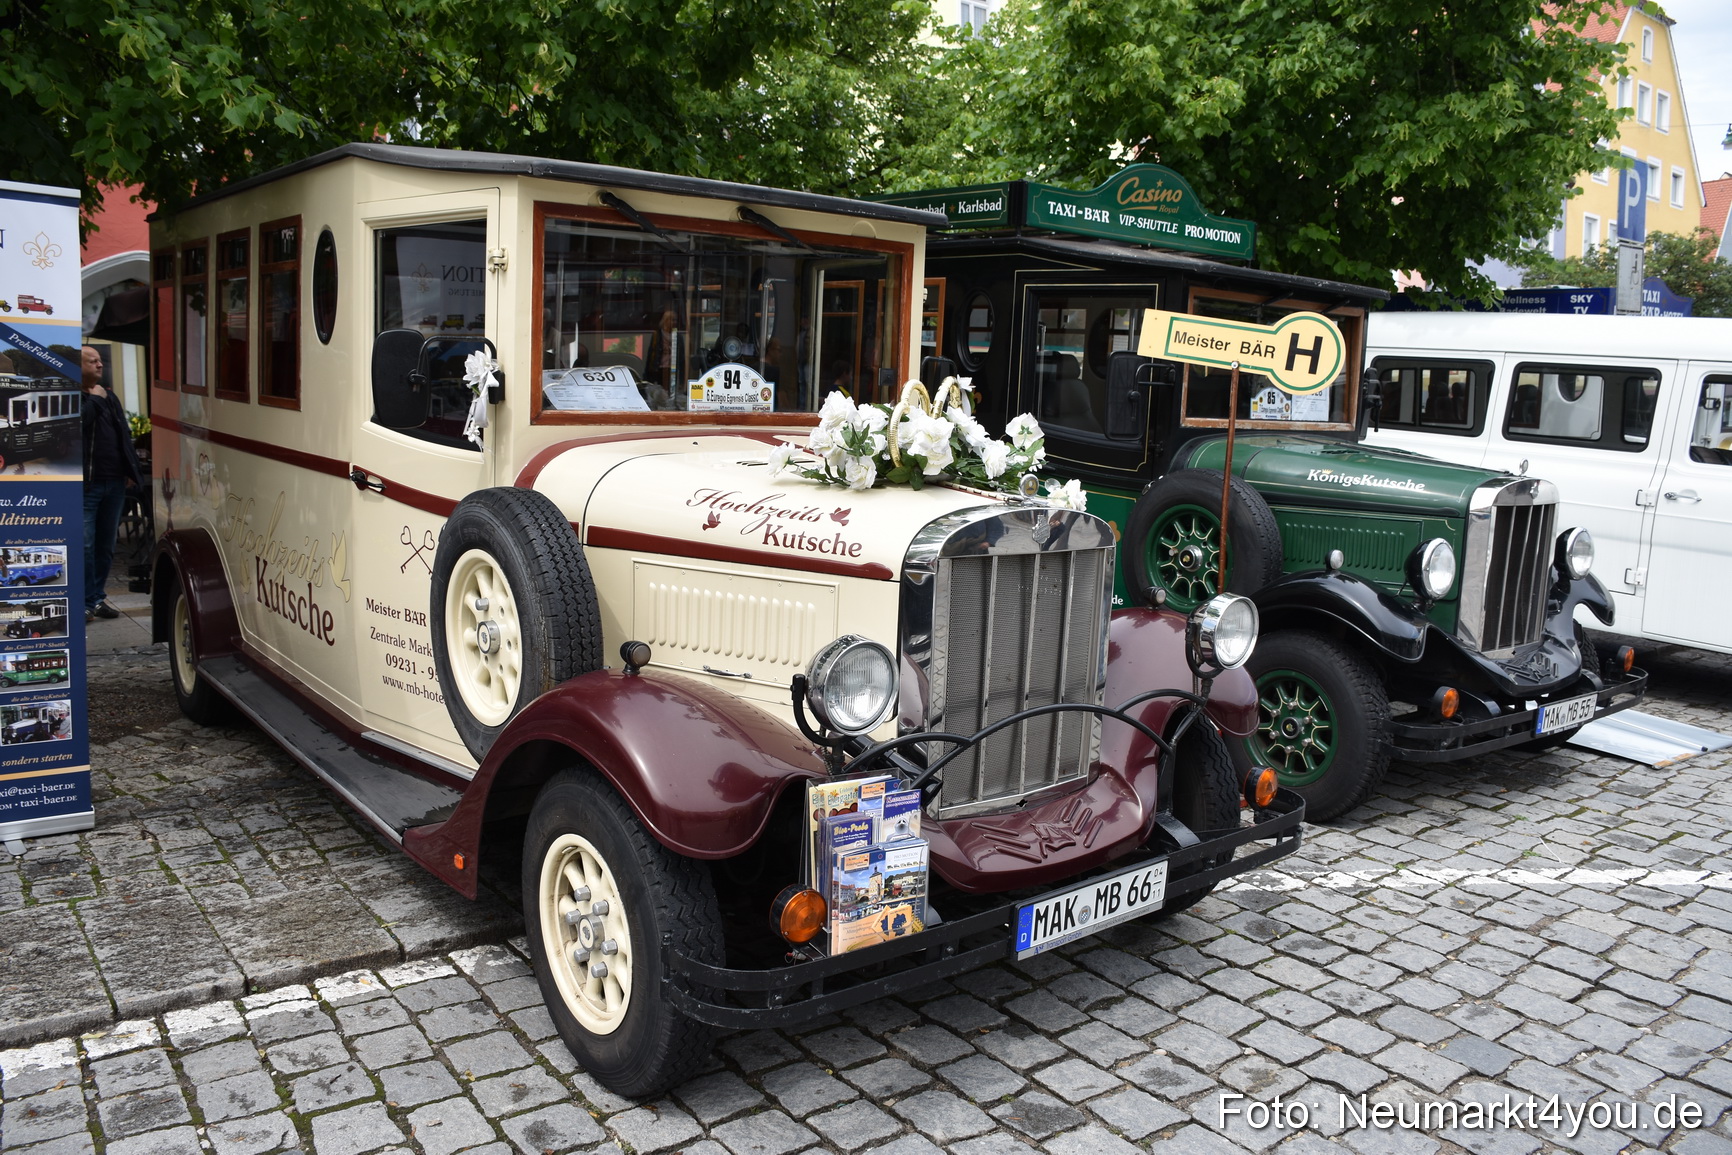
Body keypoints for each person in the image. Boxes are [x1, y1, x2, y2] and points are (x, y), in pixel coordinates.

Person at [81, 345, 141, 622]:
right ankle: (83, 601)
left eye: (100, 360)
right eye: (92, 361)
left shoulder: (110, 396)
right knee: (85, 544)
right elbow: (77, 425)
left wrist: (130, 470)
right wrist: (94, 400)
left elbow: (123, 433)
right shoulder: (76, 397)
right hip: (88, 485)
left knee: (106, 545)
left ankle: (96, 599)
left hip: (114, 482)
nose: (100, 364)